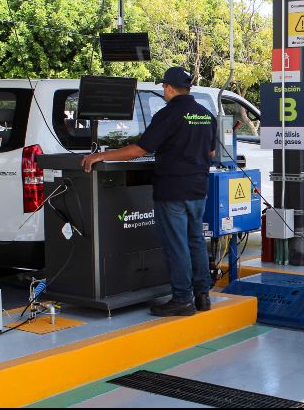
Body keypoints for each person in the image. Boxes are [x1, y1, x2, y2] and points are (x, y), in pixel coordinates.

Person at [81, 66, 217, 317]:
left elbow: (140, 150)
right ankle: (202, 295)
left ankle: (182, 299)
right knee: (195, 239)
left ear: (168, 87)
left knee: (177, 244)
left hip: (173, 189)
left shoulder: (169, 114)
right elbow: (211, 153)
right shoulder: (206, 114)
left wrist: (101, 155)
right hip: (198, 188)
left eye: (163, 88)